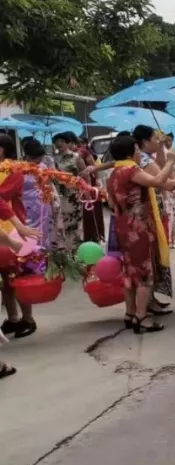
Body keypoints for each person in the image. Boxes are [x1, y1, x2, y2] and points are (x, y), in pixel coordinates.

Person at [105, 135, 175, 334]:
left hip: (122, 226)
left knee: (130, 271)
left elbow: (112, 204)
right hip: (138, 228)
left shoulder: (113, 174)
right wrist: (171, 160)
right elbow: (156, 181)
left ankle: (130, 314)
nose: (140, 154)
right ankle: (142, 317)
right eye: (138, 151)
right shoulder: (131, 170)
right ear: (132, 152)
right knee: (145, 273)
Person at [0, 134, 44, 341]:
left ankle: (28, 318)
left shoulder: (15, 170)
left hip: (12, 228)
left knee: (17, 275)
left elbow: (3, 196)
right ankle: (13, 318)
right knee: (5, 280)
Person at [132, 125, 175, 314]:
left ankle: (150, 299)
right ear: (145, 141)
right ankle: (147, 303)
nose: (158, 140)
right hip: (149, 212)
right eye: (155, 138)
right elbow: (165, 181)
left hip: (153, 209)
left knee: (154, 255)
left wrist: (161, 149)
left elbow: (160, 167)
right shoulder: (142, 159)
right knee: (151, 256)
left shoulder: (146, 157)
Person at [52, 131, 86, 251]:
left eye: (61, 141)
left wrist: (86, 190)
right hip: (58, 195)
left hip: (73, 195)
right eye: (56, 142)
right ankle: (64, 251)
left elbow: (84, 174)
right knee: (60, 223)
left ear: (67, 143)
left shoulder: (76, 156)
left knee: (75, 224)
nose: (58, 144)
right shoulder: (53, 159)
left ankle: (76, 250)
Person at [20, 138, 57, 245]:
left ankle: (42, 257)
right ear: (27, 156)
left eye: (40, 158)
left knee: (43, 233)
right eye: (36, 159)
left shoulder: (43, 167)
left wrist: (52, 196)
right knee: (28, 233)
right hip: (25, 206)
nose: (39, 161)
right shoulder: (19, 168)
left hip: (42, 205)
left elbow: (48, 184)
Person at [77, 135, 105, 243]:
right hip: (77, 184)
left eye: (81, 143)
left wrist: (97, 179)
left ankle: (95, 235)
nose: (80, 146)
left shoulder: (86, 153)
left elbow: (94, 167)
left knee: (92, 209)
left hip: (89, 184)